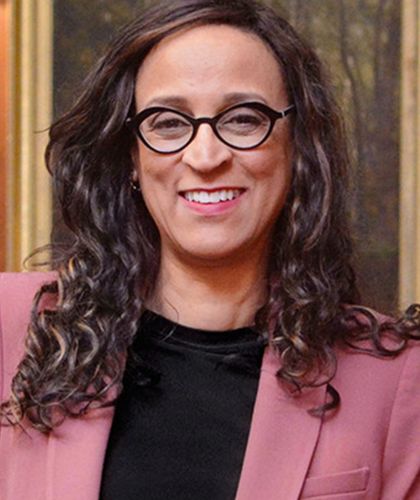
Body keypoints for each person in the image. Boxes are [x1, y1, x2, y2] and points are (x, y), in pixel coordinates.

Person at [1, 0, 419, 499]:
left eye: (243, 119)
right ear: (131, 156)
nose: (205, 156)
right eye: (168, 122)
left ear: (299, 146)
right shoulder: (10, 328)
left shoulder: (397, 381)